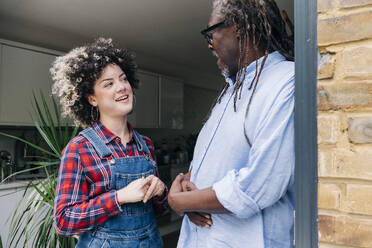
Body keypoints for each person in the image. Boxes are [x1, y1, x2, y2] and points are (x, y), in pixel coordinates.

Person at [168, 0, 295, 247]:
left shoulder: (286, 81)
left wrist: (181, 202)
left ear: (238, 27)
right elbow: (205, 162)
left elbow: (260, 185)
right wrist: (189, 193)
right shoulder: (229, 93)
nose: (209, 44)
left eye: (211, 32)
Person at [52, 38, 167, 248]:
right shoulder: (79, 149)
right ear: (92, 99)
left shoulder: (146, 145)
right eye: (109, 84)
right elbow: (64, 221)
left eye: (124, 79)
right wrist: (119, 197)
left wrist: (160, 191)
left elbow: (160, 210)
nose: (122, 87)